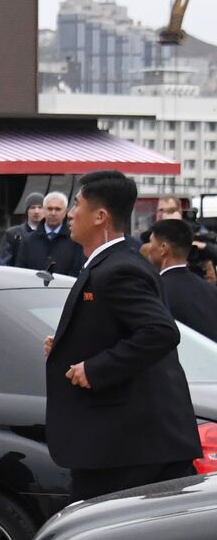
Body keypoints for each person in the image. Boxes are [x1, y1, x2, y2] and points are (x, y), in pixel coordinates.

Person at [43, 170, 199, 502]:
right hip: (127, 445)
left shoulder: (119, 269)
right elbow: (119, 328)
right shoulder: (113, 264)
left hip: (129, 450)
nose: (71, 214)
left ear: (100, 216)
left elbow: (159, 331)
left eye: (77, 204)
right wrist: (68, 346)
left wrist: (95, 369)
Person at [144, 217, 217, 343]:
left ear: (163, 248)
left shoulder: (155, 290)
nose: (148, 248)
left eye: (151, 242)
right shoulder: (211, 290)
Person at [14, 190, 84, 276]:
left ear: (65, 212)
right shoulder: (28, 240)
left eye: (58, 209)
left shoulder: (75, 240)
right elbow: (21, 270)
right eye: (49, 209)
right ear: (43, 210)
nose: (53, 213)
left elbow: (77, 271)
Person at [0, 192, 45, 266]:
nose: (36, 211)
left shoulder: (49, 234)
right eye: (32, 207)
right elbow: (6, 262)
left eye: (40, 207)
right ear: (27, 211)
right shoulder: (12, 233)